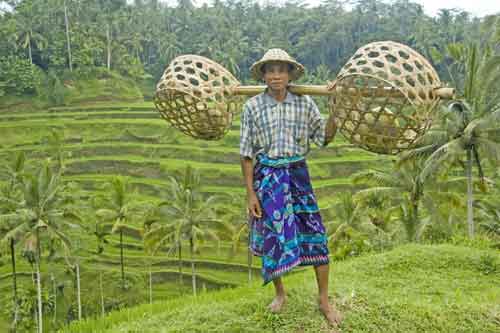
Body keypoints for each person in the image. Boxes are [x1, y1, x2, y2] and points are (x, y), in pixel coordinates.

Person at [239, 48, 342, 327]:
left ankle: (323, 300)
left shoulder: (305, 103)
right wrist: (250, 193)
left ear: (289, 74)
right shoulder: (252, 107)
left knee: (316, 234)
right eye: (270, 70)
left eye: (281, 70)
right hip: (268, 177)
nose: (275, 75)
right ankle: (280, 293)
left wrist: (335, 107)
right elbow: (247, 153)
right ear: (263, 75)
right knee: (273, 238)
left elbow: (323, 137)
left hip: (297, 174)